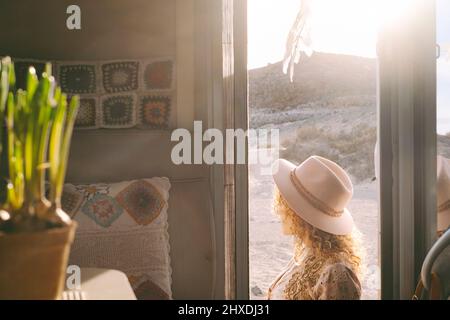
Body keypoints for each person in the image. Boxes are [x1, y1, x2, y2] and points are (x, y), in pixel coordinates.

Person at [268, 156, 362, 300]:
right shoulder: (308, 252)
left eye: (284, 203)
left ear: (298, 214)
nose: (279, 210)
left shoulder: (336, 272)